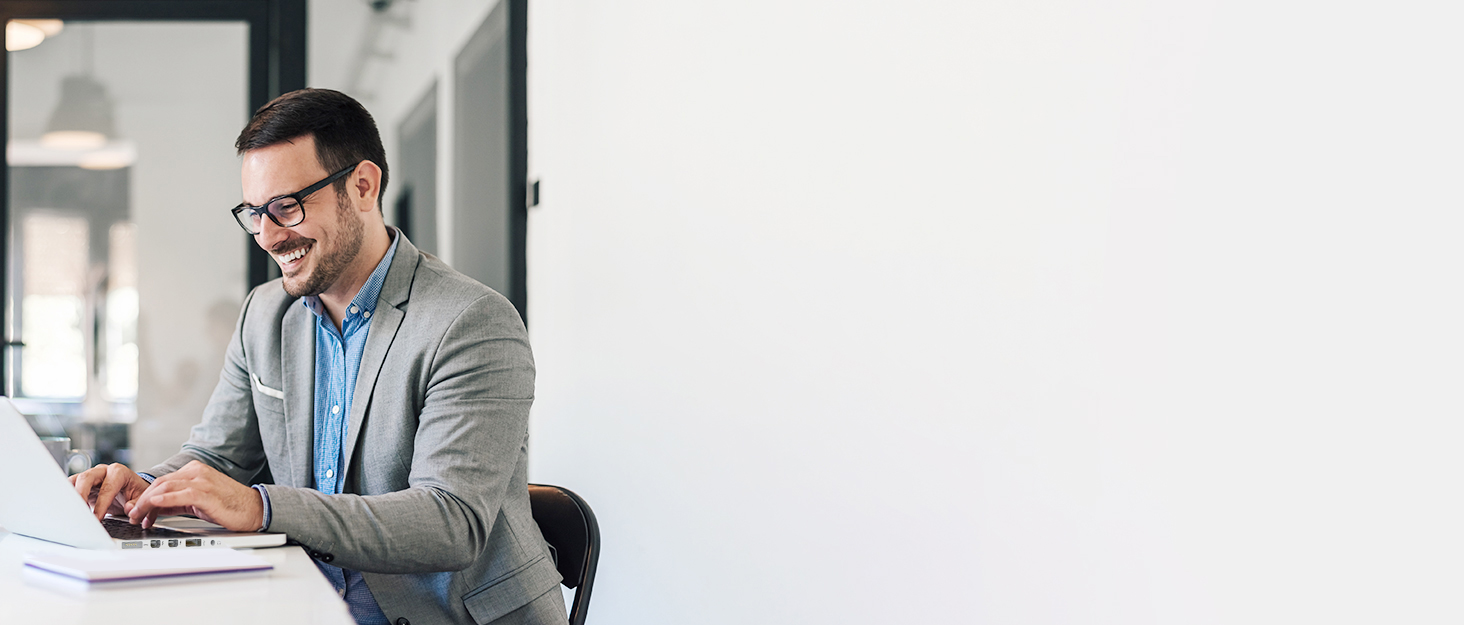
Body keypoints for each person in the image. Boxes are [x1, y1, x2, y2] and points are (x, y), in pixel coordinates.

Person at [69, 88, 566, 625]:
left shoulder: (470, 321)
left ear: (363, 186)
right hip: (303, 603)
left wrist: (262, 507)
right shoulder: (264, 314)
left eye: (287, 206)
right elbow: (219, 457)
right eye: (255, 212)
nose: (269, 236)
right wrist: (142, 489)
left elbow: (451, 522)